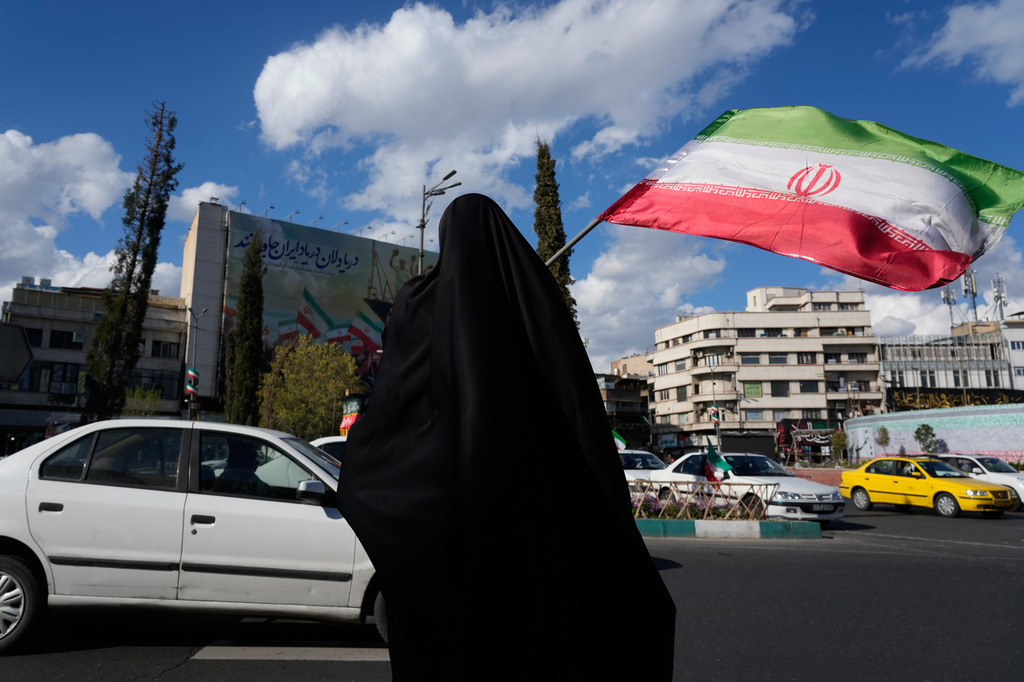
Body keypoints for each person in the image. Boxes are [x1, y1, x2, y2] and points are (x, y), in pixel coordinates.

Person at [337, 194, 675, 680]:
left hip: (455, 532)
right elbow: (573, 412)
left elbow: (392, 411)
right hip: (537, 530)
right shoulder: (532, 304)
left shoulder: (418, 305)